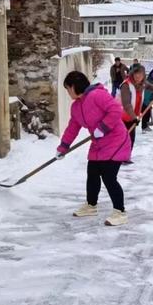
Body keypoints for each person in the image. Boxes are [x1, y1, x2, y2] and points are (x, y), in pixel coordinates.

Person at [56, 71, 131, 227]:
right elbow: (73, 127)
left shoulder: (97, 95)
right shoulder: (76, 106)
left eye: (68, 88)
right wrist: (63, 146)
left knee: (109, 177)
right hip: (99, 143)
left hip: (116, 140)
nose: (68, 92)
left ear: (75, 86)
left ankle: (120, 212)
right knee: (93, 173)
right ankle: (91, 206)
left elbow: (116, 110)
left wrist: (103, 127)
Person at [120, 63, 153, 148]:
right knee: (124, 139)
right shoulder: (126, 85)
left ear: (144, 75)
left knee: (131, 139)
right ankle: (119, 159)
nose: (138, 77)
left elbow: (150, 85)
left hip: (133, 116)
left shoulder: (142, 83)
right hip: (122, 117)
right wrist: (134, 118)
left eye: (141, 74)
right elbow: (126, 104)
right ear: (132, 74)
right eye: (136, 74)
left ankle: (126, 158)